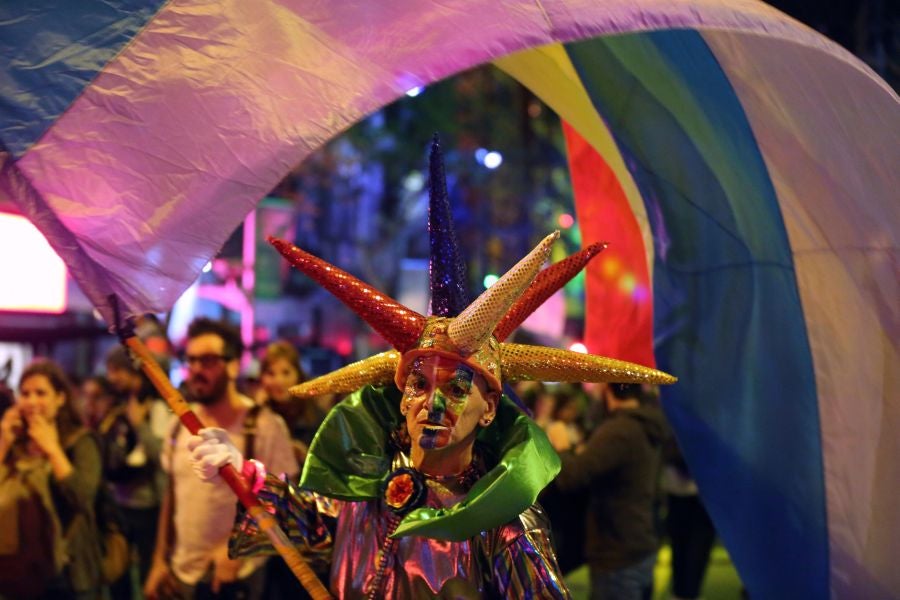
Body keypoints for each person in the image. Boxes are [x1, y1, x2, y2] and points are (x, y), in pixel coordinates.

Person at [187, 140, 676, 598]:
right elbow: (319, 529)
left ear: (489, 409)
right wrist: (243, 474)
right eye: (419, 383)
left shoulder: (505, 523)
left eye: (459, 387)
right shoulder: (372, 482)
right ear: (401, 396)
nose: (433, 404)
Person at [143, 318, 299, 600]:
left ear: (234, 364)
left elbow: (283, 500)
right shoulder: (180, 423)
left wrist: (240, 550)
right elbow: (171, 496)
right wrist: (157, 561)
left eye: (208, 361)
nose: (197, 370)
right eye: (191, 360)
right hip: (180, 574)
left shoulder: (263, 425)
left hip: (236, 579)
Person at [548, 383, 667, 600]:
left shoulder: (619, 430)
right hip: (639, 540)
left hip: (618, 550)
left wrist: (562, 446)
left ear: (609, 391)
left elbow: (570, 477)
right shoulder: (643, 423)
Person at [0, 359, 106, 598]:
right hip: (21, 574)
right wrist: (4, 442)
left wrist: (52, 449)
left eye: (41, 393)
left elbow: (81, 498)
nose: (32, 402)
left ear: (61, 398)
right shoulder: (15, 445)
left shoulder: (81, 442)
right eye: (25, 394)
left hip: (70, 574)